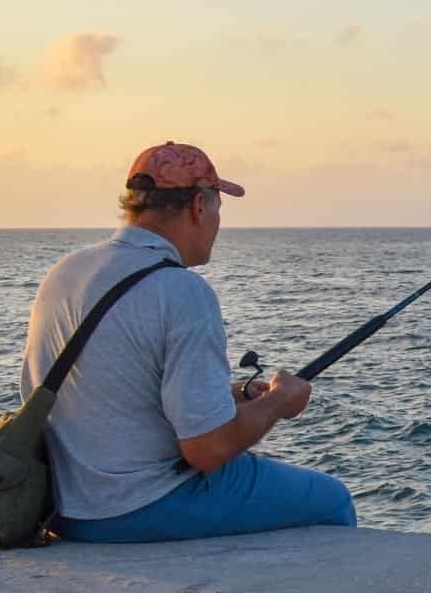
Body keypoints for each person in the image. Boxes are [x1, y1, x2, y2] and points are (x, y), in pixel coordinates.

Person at [20, 142, 356, 542]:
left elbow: (105, 392)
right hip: (133, 508)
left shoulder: (66, 272)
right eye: (217, 209)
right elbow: (208, 450)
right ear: (199, 206)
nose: (217, 223)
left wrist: (231, 396)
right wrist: (277, 404)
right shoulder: (182, 291)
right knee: (332, 500)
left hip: (62, 507)